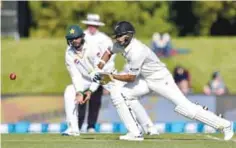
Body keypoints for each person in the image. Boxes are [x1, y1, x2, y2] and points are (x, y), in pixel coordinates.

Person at [95, 21, 234, 141]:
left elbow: (131, 77)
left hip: (161, 79)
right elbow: (108, 51)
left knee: (186, 108)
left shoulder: (137, 51)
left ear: (129, 35)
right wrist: (99, 67)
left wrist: (110, 76)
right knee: (122, 94)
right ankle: (136, 132)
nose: (117, 39)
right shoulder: (120, 44)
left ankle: (224, 125)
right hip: (145, 79)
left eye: (120, 36)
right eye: (117, 37)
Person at [62, 24, 158, 137]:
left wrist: (90, 91)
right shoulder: (69, 54)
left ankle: (148, 127)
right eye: (71, 39)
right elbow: (75, 75)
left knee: (124, 96)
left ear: (82, 36)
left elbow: (99, 71)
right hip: (85, 79)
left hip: (107, 76)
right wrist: (79, 92)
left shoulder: (92, 47)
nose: (74, 41)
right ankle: (73, 128)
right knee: (69, 90)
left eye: (77, 38)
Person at [78, 13, 115, 133]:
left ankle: (91, 126)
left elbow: (110, 57)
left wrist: (105, 76)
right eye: (90, 25)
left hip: (99, 72)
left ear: (97, 26)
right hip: (84, 74)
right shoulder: (81, 36)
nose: (92, 27)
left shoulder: (104, 39)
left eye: (94, 25)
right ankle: (78, 125)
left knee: (95, 100)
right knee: (81, 100)